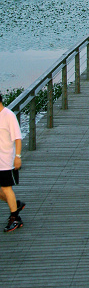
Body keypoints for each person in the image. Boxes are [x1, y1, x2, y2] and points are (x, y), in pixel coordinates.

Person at [0, 91, 24, 233]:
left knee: (6, 188)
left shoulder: (8, 115)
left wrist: (18, 156)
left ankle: (15, 218)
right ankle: (15, 204)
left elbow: (17, 138)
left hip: (6, 161)